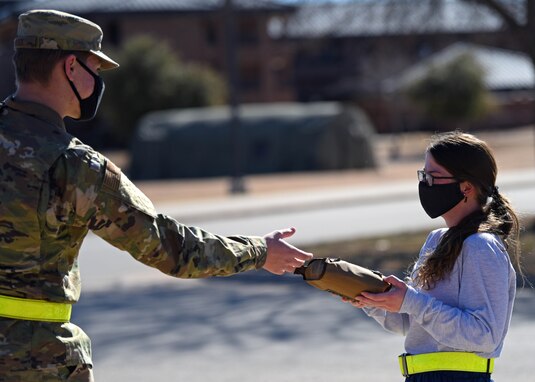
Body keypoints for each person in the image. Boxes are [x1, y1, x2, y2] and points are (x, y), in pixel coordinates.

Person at [0, 9, 313, 381]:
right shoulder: (76, 166)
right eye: (95, 70)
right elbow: (172, 250)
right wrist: (260, 251)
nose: (98, 81)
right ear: (70, 68)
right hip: (35, 363)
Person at [343, 131, 522, 382]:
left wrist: (412, 301)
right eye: (423, 175)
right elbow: (409, 323)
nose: (425, 184)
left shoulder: (482, 247)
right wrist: (369, 298)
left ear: (466, 187)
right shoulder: (436, 240)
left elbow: (484, 335)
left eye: (433, 177)